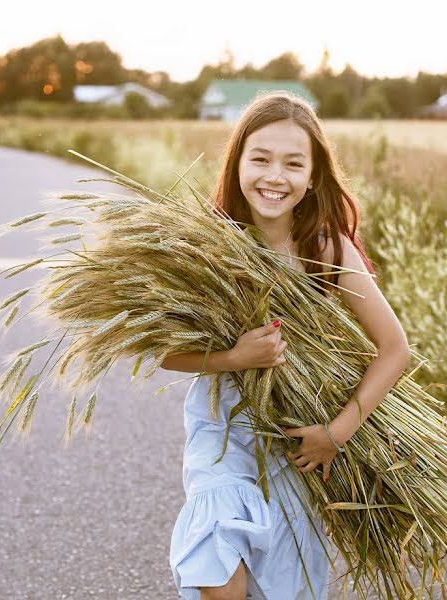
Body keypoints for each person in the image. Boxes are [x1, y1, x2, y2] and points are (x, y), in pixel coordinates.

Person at [163, 92, 411, 600]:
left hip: (295, 440)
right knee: (217, 564)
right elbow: (163, 351)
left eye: (293, 164)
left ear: (313, 177)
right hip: (223, 430)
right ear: (237, 165)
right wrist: (234, 358)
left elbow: (394, 349)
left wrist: (335, 434)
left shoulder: (326, 248)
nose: (274, 176)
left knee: (282, 581)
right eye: (260, 159)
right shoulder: (207, 243)